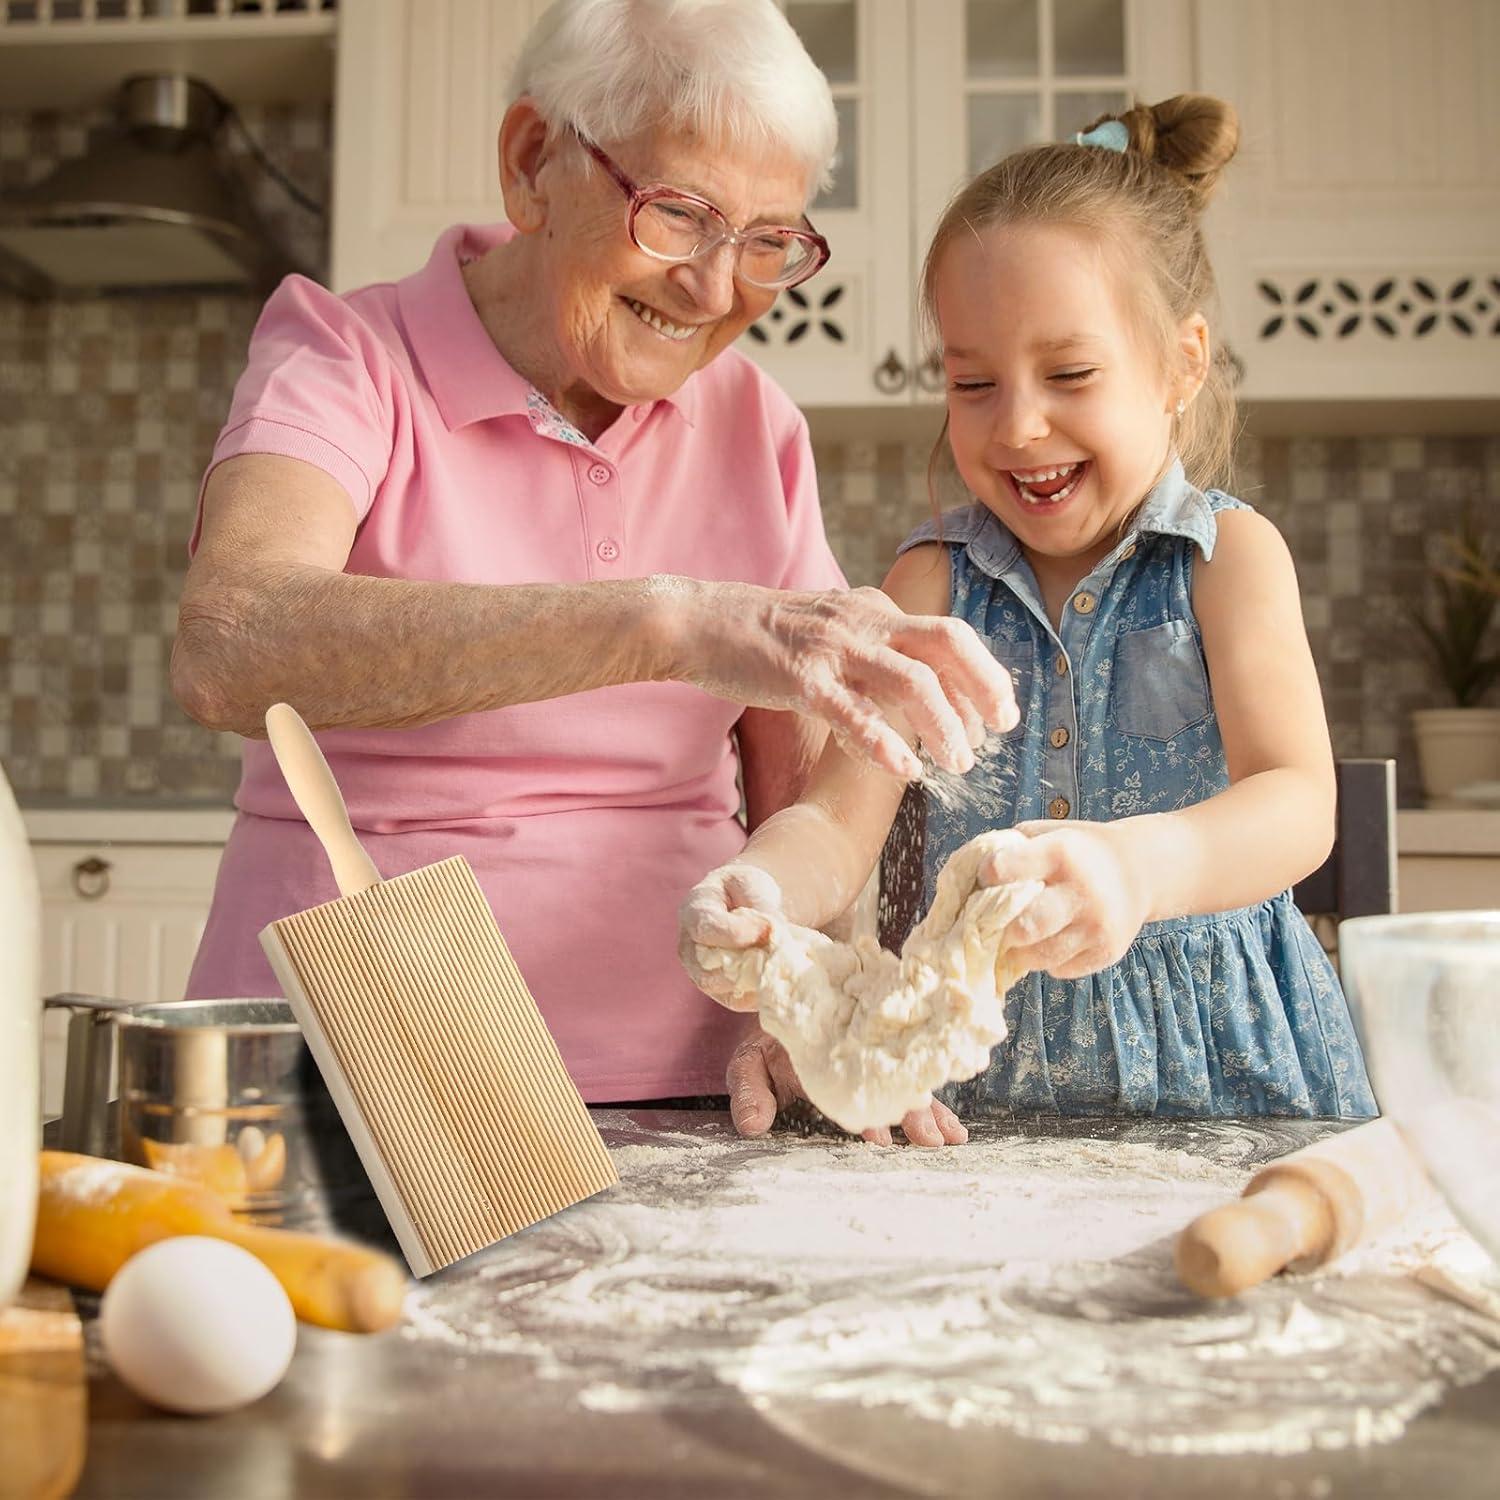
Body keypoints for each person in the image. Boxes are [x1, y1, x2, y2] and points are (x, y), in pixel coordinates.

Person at [170, 0, 1017, 1106]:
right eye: (679, 215)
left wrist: (803, 1007)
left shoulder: (756, 422)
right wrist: (665, 623)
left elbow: (796, 792)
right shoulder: (346, 357)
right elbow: (231, 643)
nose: (717, 291)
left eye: (768, 243)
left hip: (685, 1084)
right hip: (349, 1075)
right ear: (534, 163)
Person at [679, 95, 1378, 1144]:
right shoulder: (927, 587)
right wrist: (763, 886)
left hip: (1234, 1092)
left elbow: (1296, 803)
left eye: (1071, 374)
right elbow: (838, 821)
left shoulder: (1227, 563)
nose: (1017, 424)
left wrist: (1141, 868)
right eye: (972, 381)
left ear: (1183, 363)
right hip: (983, 1110)